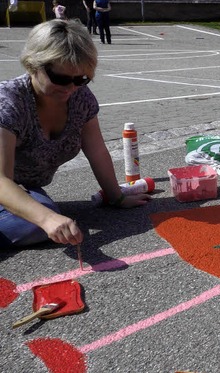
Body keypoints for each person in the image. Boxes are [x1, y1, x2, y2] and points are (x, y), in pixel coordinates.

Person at [0, 20, 151, 248]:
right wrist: (47, 219)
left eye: (81, 79)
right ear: (33, 65)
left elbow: (97, 151)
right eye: (60, 78)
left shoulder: (80, 98)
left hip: (22, 186)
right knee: (39, 223)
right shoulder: (9, 103)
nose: (71, 87)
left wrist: (116, 196)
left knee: (42, 219)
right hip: (6, 184)